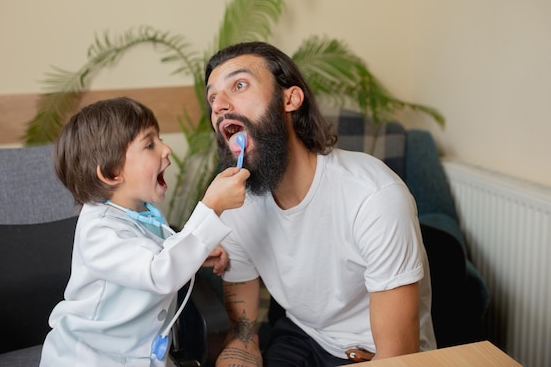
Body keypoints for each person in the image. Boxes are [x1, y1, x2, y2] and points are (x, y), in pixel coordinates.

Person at [204, 42, 437, 367]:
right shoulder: (235, 205)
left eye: (239, 85)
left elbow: (397, 358)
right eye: (212, 98)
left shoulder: (372, 196)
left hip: (371, 353)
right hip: (302, 336)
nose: (220, 106)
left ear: (290, 98)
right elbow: (243, 338)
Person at [39, 97, 250, 367]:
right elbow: (158, 272)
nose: (166, 149)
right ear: (112, 173)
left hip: (143, 355)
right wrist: (210, 209)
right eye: (150, 144)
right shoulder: (99, 231)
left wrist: (198, 254)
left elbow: (156, 252)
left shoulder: (143, 212)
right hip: (88, 358)